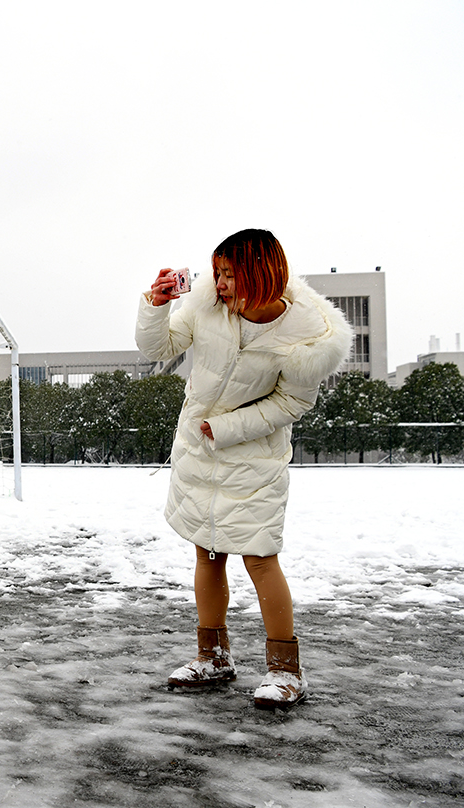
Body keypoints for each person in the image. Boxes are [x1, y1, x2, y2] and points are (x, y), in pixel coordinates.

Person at [135, 229, 352, 709]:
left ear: (262, 273)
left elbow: (295, 400)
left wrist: (229, 428)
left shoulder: (304, 333)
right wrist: (155, 304)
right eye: (218, 273)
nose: (221, 283)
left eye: (231, 274)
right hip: (198, 453)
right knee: (207, 552)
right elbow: (158, 348)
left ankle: (286, 671)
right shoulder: (205, 305)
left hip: (254, 459)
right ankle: (212, 656)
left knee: (258, 556)